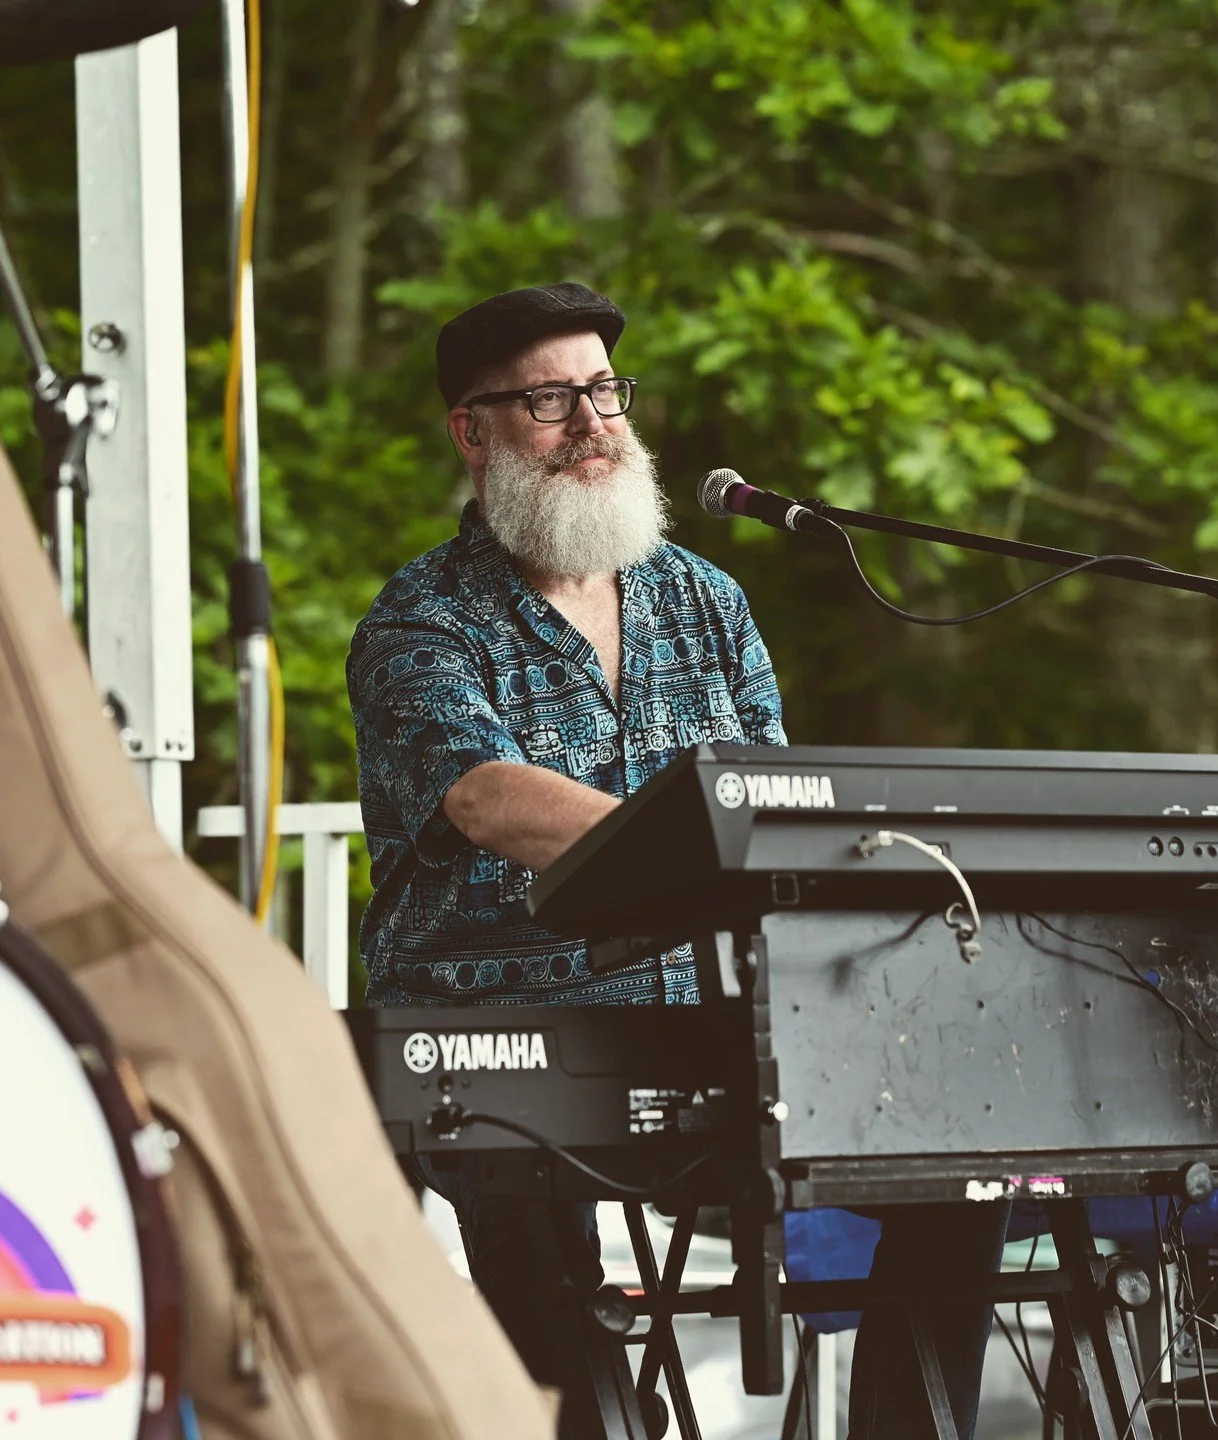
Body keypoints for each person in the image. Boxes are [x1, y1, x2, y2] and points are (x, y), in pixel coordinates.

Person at [347, 281, 1005, 1439]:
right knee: (540, 1266)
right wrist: (694, 851)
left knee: (963, 1158)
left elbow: (775, 801)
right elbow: (488, 796)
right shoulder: (420, 619)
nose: (592, 423)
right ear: (473, 431)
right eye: (549, 400)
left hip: (716, 1024)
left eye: (605, 391)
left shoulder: (707, 603)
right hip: (502, 1030)